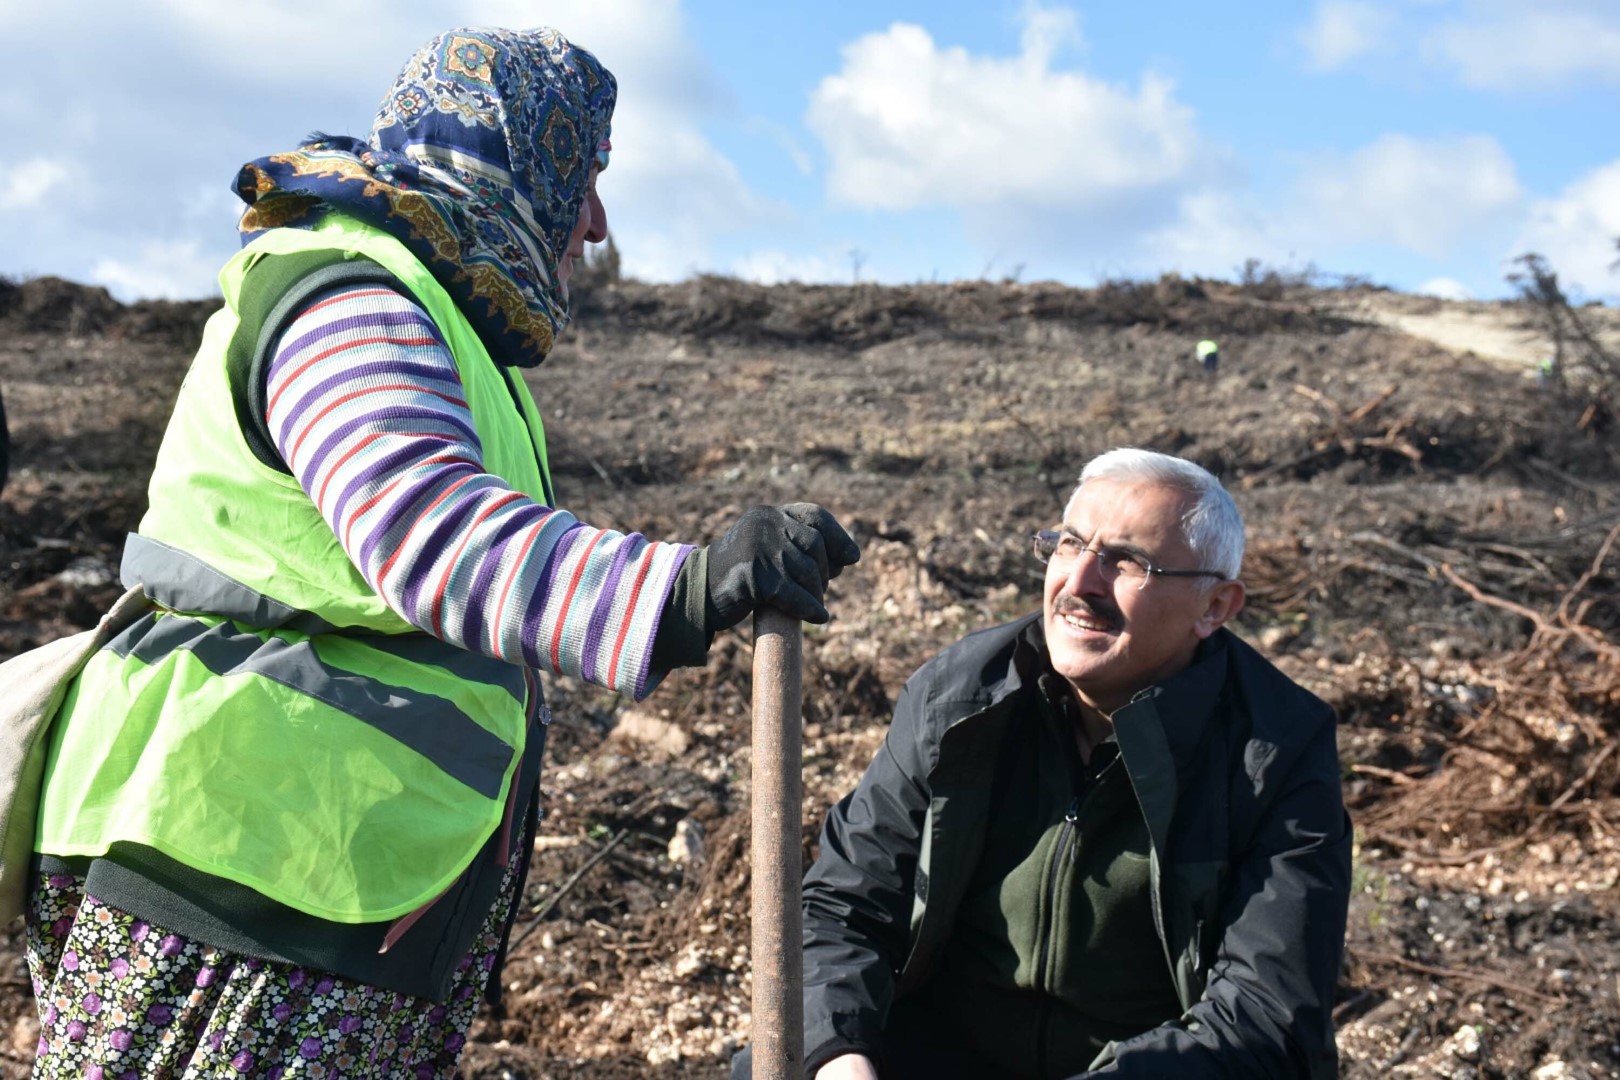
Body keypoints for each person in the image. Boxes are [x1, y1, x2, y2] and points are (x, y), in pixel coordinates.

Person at [21, 27, 858, 1079]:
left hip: (330, 891)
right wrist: (681, 589)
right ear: (507, 156)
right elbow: (426, 528)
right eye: (581, 176)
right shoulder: (350, 297)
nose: (595, 224)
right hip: (240, 878)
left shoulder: (450, 328)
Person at [737, 448, 1349, 1078]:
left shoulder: (1274, 752)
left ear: (1214, 607)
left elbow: (1265, 1021)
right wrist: (840, 1059)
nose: (1079, 583)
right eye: (1069, 545)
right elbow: (844, 907)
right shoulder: (960, 696)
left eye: (1126, 562)